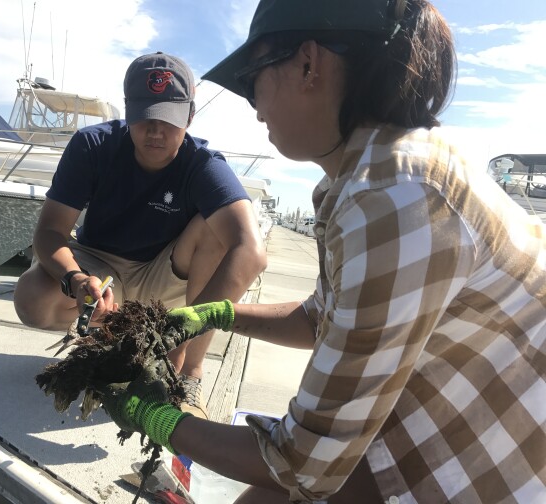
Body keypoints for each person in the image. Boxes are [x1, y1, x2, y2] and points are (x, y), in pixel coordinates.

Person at [99, 0, 546, 502]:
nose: (253, 104)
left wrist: (156, 417)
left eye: (253, 76)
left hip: (502, 463)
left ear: (308, 65)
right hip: (452, 411)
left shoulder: (395, 196)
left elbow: (302, 466)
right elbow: (321, 317)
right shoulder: (373, 171)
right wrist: (216, 314)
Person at [13, 51, 267, 418]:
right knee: (31, 297)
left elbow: (252, 251)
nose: (155, 131)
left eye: (168, 119)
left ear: (190, 116)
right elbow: (50, 231)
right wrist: (75, 278)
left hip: (164, 274)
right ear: (128, 110)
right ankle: (107, 333)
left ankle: (190, 371)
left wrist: (185, 328)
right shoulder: (92, 146)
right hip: (99, 263)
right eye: (145, 117)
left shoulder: (203, 165)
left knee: (217, 231)